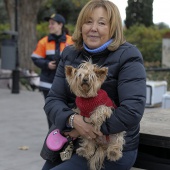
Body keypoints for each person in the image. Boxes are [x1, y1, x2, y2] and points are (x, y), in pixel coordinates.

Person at [42, 0, 146, 169]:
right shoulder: (69, 53)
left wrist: (86, 128)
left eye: (102, 23)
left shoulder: (128, 56)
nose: (93, 28)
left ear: (113, 28)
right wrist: (72, 119)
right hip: (71, 141)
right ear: (81, 25)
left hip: (111, 147)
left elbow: (132, 110)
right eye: (88, 21)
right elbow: (53, 100)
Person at [31, 13, 73, 129]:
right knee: (51, 112)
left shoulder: (71, 41)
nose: (50, 26)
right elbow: (35, 58)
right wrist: (46, 64)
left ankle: (66, 138)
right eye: (49, 24)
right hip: (47, 84)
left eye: (52, 24)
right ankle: (52, 139)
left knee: (67, 111)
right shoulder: (43, 42)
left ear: (60, 25)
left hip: (66, 85)